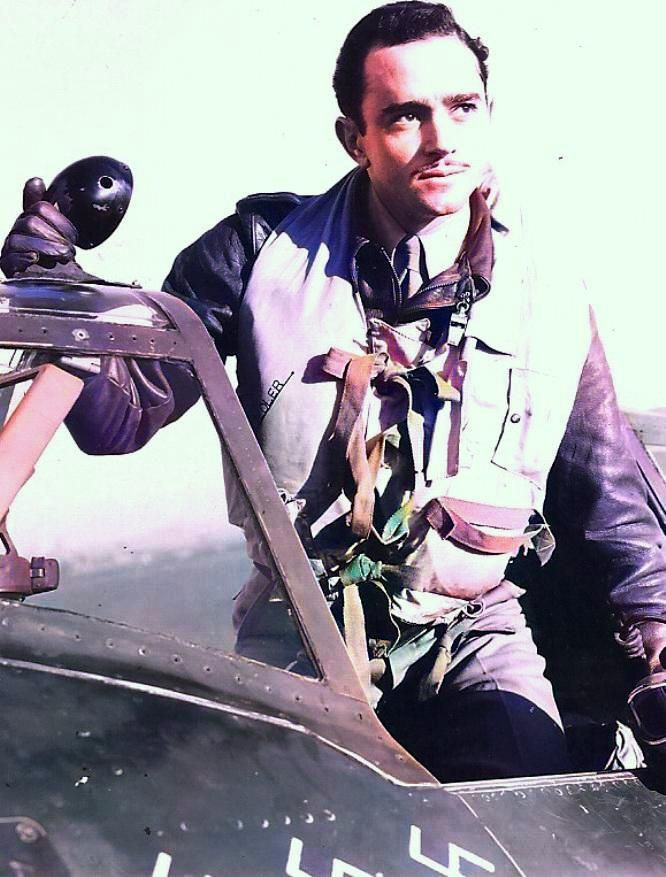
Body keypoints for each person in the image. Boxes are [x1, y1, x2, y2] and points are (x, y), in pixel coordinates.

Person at [2, 1, 666, 784]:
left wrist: (658, 638)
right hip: (303, 635)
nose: (442, 138)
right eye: (405, 116)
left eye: (462, 107)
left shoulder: (546, 292)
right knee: (284, 821)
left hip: (472, 630)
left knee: (538, 809)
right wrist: (62, 301)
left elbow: (609, 490)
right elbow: (119, 418)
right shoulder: (258, 253)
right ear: (354, 138)